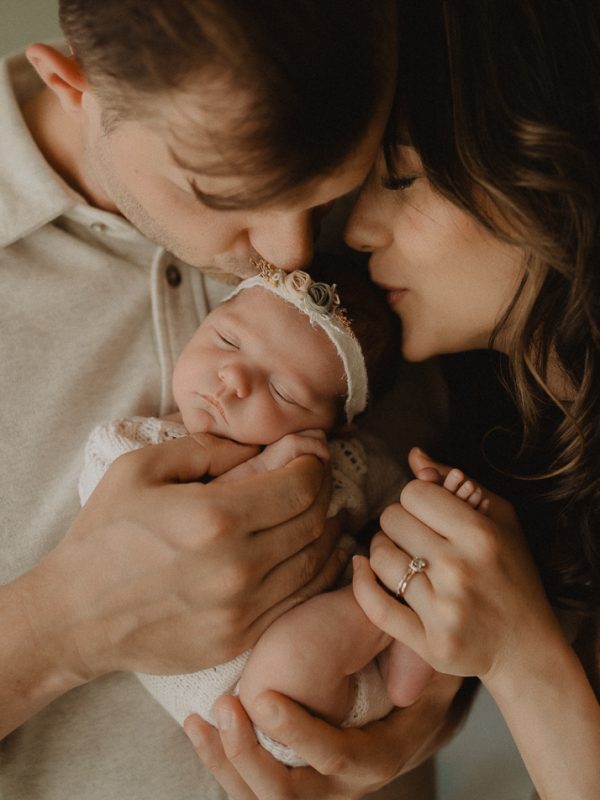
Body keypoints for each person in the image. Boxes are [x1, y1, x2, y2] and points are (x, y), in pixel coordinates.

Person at [0, 2, 461, 800]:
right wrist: (61, 627)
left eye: (327, 193)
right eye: (225, 193)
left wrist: (421, 717)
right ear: (71, 83)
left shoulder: (410, 187)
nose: (289, 255)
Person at [185, 2, 600, 798]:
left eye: (402, 177)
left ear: (550, 156)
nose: (359, 231)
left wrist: (522, 661)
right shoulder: (516, 440)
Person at [78, 255, 448, 766]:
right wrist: (258, 471)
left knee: (415, 556)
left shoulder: (343, 461)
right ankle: (394, 636)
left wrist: (429, 499)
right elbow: (122, 520)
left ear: (336, 427)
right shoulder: (138, 446)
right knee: (294, 657)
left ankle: (406, 651)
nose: (232, 378)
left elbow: (395, 499)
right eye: (226, 341)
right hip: (269, 705)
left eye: (283, 391)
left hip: (342, 667)